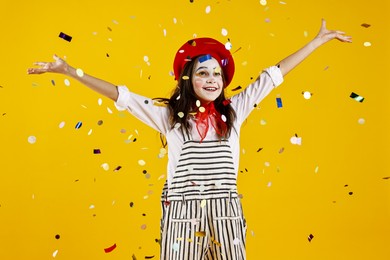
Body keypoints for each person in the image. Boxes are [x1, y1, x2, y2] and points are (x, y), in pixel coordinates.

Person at [28, 19, 351, 260]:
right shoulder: (168, 116)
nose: (211, 80)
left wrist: (316, 42)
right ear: (187, 79)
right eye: (202, 73)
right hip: (182, 210)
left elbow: (273, 76)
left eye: (216, 74)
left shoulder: (236, 110)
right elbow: (120, 95)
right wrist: (70, 72)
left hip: (225, 208)